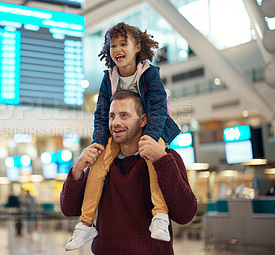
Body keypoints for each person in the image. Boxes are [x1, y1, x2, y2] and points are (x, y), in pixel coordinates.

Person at [65, 22, 181, 251]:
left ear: (138, 46)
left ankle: (160, 215)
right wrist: (98, 142)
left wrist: (150, 138)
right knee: (97, 165)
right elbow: (100, 114)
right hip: (118, 138)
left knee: (152, 161)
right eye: (112, 45)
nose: (117, 49)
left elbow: (158, 109)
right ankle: (86, 223)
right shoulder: (109, 78)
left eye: (123, 44)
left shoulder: (149, 73)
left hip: (153, 130)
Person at [60, 90, 197, 254]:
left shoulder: (167, 158)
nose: (115, 122)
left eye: (124, 115)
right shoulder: (101, 163)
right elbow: (69, 209)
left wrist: (162, 160)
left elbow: (185, 215)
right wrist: (78, 169)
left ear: (143, 120)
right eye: (112, 116)